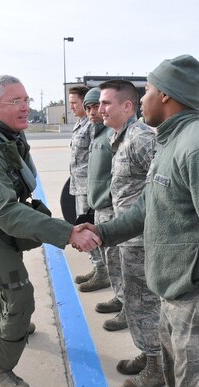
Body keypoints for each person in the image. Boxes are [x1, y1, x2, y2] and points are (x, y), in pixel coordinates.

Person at [86, 55, 199, 387]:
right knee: (180, 382)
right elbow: (145, 208)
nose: (143, 98)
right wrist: (101, 233)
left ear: (165, 94)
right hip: (173, 295)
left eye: (147, 89)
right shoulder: (170, 142)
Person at [0, 75, 100, 387]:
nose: (25, 107)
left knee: (8, 282)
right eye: (15, 102)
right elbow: (4, 210)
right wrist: (67, 232)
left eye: (26, 100)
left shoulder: (5, 135)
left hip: (0, 224)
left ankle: (7, 321)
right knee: (19, 293)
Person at [98, 80, 165, 387]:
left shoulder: (140, 139)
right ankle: (149, 354)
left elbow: (166, 185)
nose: (100, 109)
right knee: (137, 304)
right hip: (129, 237)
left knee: (144, 304)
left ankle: (157, 367)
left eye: (107, 103)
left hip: (142, 240)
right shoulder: (120, 137)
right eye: (100, 104)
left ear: (128, 106)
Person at [83, 87, 125, 317]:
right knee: (111, 259)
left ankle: (127, 303)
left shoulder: (114, 135)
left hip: (113, 209)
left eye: (97, 106)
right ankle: (120, 297)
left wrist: (109, 199)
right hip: (100, 206)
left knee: (120, 261)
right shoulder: (97, 134)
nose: (93, 112)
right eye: (88, 107)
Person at [68, 86, 111, 292]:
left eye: (74, 102)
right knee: (82, 226)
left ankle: (102, 270)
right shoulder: (81, 124)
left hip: (90, 187)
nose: (72, 106)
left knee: (88, 229)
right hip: (80, 185)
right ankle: (97, 267)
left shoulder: (95, 126)